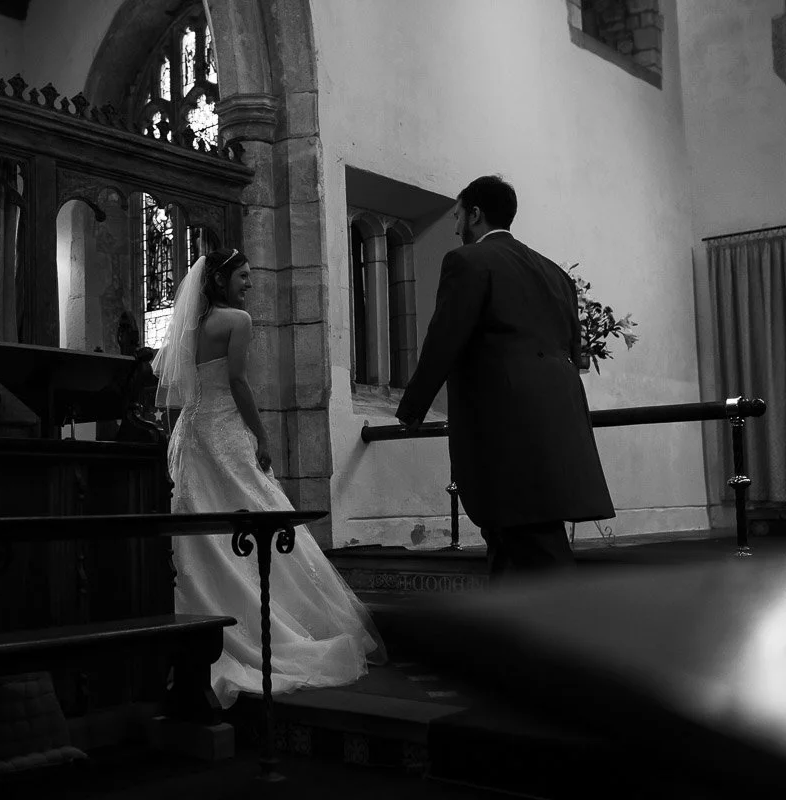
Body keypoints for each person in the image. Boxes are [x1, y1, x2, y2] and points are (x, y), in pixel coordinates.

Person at [152, 247, 385, 708]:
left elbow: (177, 383)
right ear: (220, 280)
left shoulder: (190, 328)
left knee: (206, 529)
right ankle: (270, 625)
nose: (250, 284)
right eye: (243, 276)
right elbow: (237, 383)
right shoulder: (237, 321)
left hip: (191, 434)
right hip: (225, 432)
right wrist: (261, 436)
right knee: (259, 518)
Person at [395, 175, 615, 582]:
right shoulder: (555, 273)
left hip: (506, 419)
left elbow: (445, 338)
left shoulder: (468, 262)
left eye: (458, 216)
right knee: (514, 535)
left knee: (530, 540)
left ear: (475, 214)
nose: (456, 226)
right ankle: (511, 635)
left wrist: (412, 409)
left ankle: (571, 633)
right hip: (561, 413)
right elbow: (573, 349)